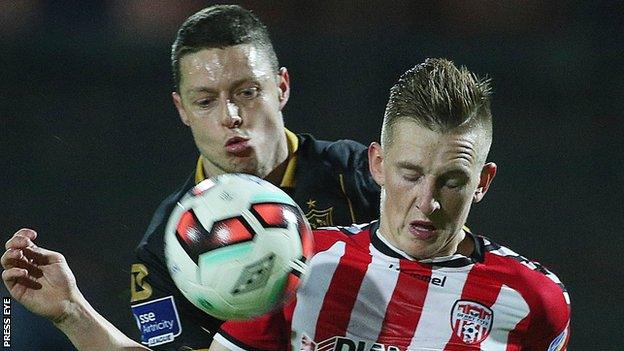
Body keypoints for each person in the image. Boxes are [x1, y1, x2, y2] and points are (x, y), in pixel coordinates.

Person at [2, 58, 571, 351]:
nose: (427, 202)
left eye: (451, 181)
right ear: (377, 165)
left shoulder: (536, 302)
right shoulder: (300, 265)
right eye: (410, 174)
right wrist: (73, 313)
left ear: (483, 181)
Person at [128, 5, 380, 350]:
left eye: (246, 93)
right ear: (182, 110)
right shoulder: (166, 247)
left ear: (281, 87)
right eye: (205, 102)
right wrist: (72, 313)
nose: (230, 116)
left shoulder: (361, 176)